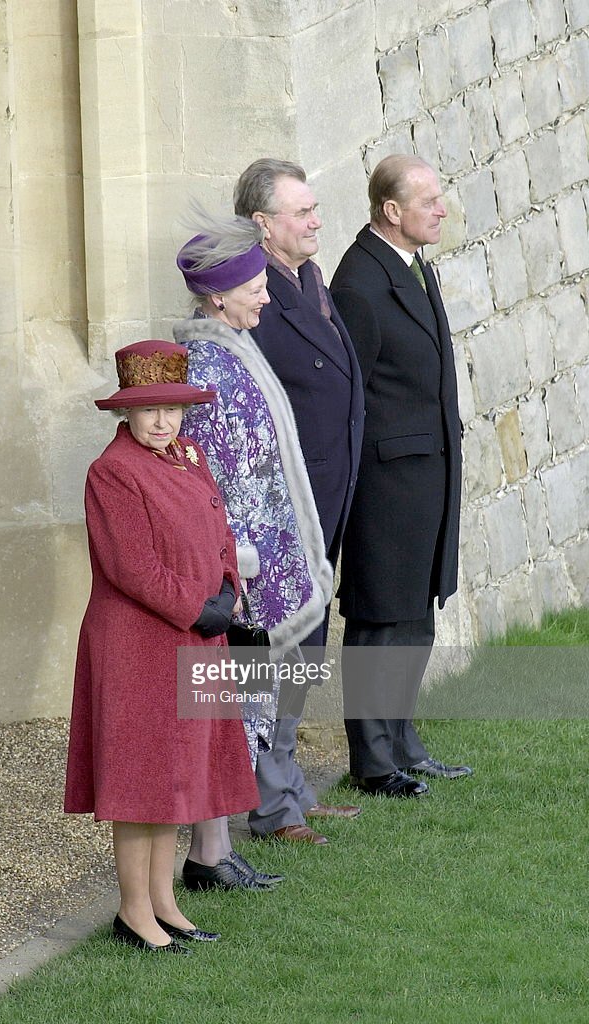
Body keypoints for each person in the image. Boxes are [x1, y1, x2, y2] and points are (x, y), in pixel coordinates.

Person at [64, 340, 260, 952]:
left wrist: (229, 588)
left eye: (172, 408)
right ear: (126, 412)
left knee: (178, 773)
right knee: (141, 779)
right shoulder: (113, 473)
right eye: (149, 410)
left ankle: (166, 902)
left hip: (195, 637)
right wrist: (197, 607)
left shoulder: (189, 455)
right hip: (138, 645)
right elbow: (132, 567)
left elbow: (219, 529)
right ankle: (133, 912)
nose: (162, 421)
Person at [175, 208, 360, 850]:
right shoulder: (206, 367)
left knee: (272, 683)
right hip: (245, 565)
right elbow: (211, 480)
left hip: (271, 554)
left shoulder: (237, 348)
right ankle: (246, 825)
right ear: (219, 295)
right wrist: (240, 563)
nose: (264, 292)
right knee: (242, 692)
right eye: (254, 284)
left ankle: (275, 803)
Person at [330, 154, 473, 797]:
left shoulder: (412, 266)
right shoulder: (359, 282)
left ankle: (403, 740)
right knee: (379, 617)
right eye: (429, 200)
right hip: (385, 486)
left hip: (427, 475)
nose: (441, 208)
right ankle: (373, 758)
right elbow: (346, 397)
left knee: (415, 613)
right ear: (392, 211)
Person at [232, 159, 364, 838]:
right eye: (302, 212)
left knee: (306, 644)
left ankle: (290, 790)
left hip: (326, 499)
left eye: (314, 209)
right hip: (283, 512)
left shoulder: (307, 278)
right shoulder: (252, 296)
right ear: (263, 224)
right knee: (274, 650)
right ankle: (269, 804)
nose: (316, 221)